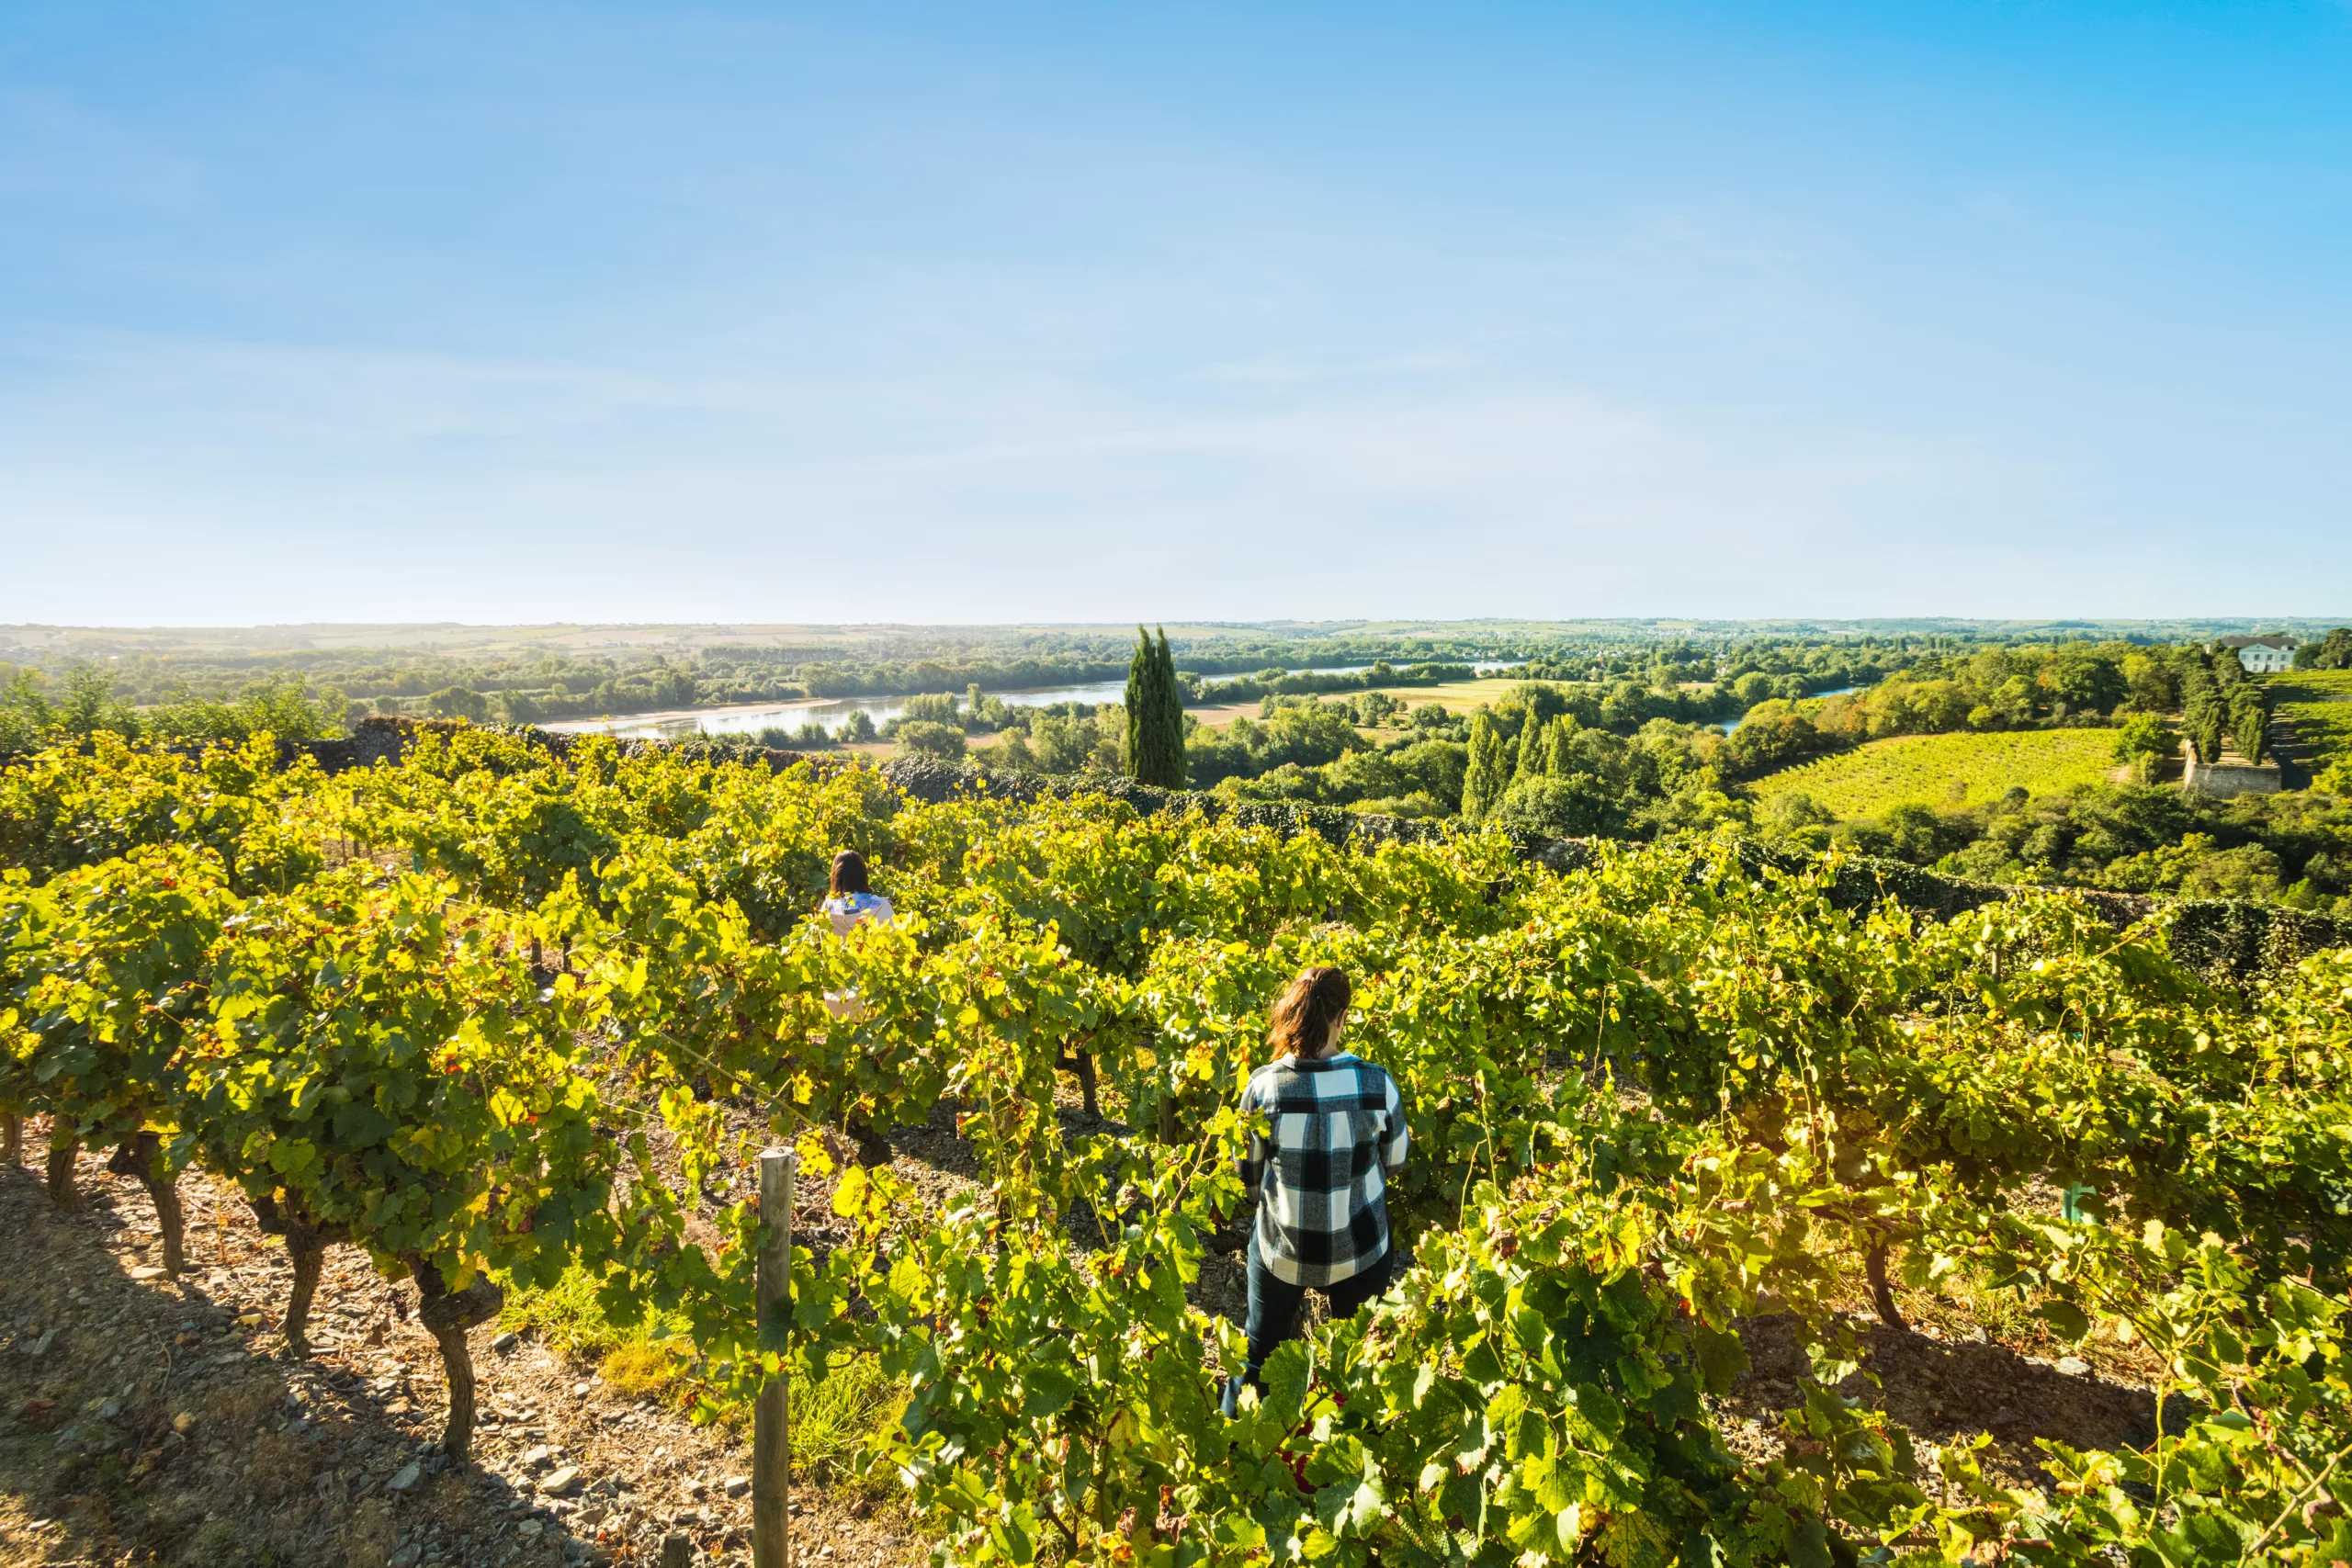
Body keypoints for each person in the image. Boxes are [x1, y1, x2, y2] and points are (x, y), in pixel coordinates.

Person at [1222, 965, 1408, 1419]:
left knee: (1257, 1353)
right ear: (1342, 1016)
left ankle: (1234, 1447)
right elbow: (1396, 1161)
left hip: (1284, 1251)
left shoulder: (1264, 1087)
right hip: (1360, 1250)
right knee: (1360, 1359)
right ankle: (1356, 1442)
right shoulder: (1377, 1084)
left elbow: (1247, 1176)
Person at [820, 850, 893, 936]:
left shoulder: (827, 908)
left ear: (836, 877)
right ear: (863, 874)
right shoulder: (882, 905)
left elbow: (824, 942)